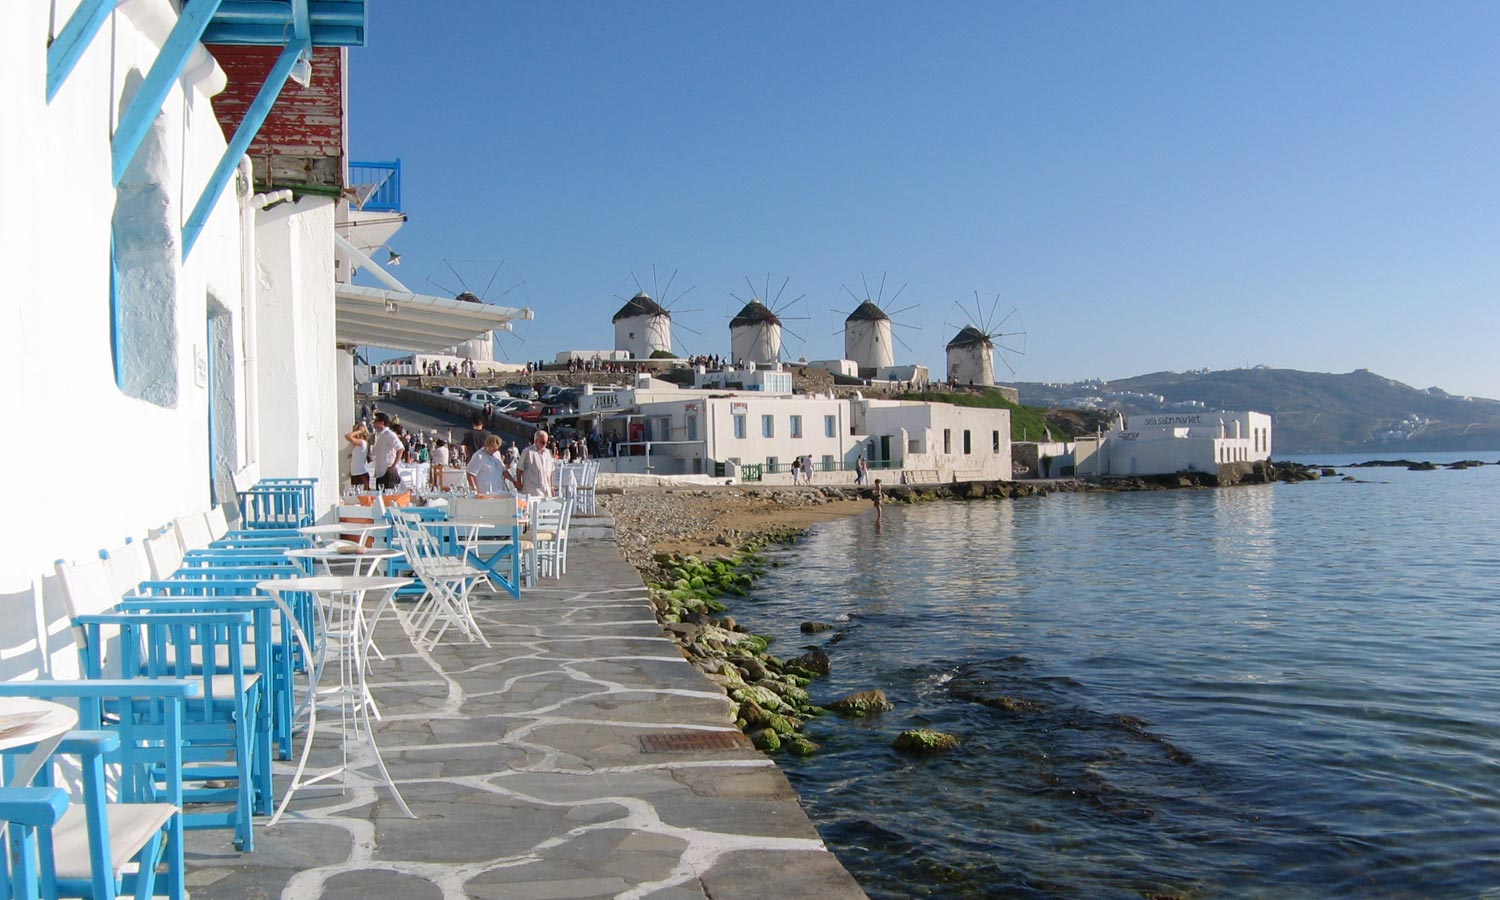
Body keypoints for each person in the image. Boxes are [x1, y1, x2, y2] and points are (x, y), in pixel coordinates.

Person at [516, 429, 556, 497]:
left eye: (546, 442)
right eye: (542, 442)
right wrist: (519, 483)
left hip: (546, 489)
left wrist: (552, 487)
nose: (545, 445)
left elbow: (551, 472)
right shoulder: (528, 452)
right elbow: (519, 469)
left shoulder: (548, 453)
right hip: (532, 491)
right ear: (536, 441)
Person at [370, 412, 405, 489]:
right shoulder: (379, 435)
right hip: (380, 472)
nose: (374, 423)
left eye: (376, 421)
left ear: (381, 423)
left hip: (388, 472)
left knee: (388, 498)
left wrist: (393, 465)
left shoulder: (389, 434)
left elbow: (400, 448)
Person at [345, 424, 371, 490]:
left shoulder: (362, 442)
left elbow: (348, 436)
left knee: (362, 496)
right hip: (355, 474)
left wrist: (359, 431)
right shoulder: (359, 445)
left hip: (360, 474)